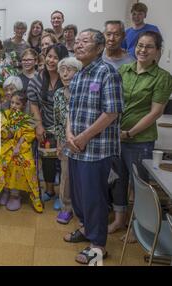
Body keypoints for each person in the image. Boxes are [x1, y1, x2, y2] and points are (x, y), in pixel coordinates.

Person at [63, 29, 124, 265]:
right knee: (78, 197)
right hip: (75, 147)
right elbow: (71, 110)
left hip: (96, 150)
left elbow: (112, 112)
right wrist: (69, 133)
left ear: (99, 48)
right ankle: (86, 230)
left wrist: (84, 137)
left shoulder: (107, 72)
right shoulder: (78, 75)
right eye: (77, 42)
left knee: (94, 198)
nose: (78, 45)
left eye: (84, 41)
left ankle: (98, 246)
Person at [109, 31, 172, 235]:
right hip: (117, 137)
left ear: (158, 51)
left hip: (140, 140)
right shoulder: (124, 70)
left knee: (139, 184)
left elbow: (156, 112)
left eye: (149, 47)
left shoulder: (162, 77)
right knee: (118, 180)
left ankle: (138, 226)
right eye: (140, 45)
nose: (143, 50)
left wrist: (129, 133)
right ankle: (120, 219)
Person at [0, 91, 43, 213]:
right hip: (6, 145)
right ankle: (4, 190)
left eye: (18, 103)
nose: (14, 105)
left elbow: (28, 135)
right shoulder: (5, 114)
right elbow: (2, 133)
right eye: (12, 102)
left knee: (22, 163)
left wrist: (18, 146)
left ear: (23, 105)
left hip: (22, 147)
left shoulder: (28, 118)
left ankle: (15, 194)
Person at [27, 44, 68, 210]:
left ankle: (62, 195)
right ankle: (49, 190)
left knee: (63, 163)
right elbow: (34, 103)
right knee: (48, 160)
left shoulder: (67, 77)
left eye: (56, 57)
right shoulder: (37, 79)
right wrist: (39, 125)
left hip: (66, 127)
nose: (51, 60)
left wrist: (65, 130)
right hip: (45, 125)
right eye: (49, 56)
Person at [53, 57, 82, 224]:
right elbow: (57, 121)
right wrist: (59, 143)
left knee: (83, 177)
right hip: (65, 142)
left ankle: (83, 211)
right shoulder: (58, 94)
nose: (65, 73)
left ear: (78, 72)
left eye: (69, 69)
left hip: (84, 140)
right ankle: (66, 208)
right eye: (62, 70)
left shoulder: (83, 91)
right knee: (66, 176)